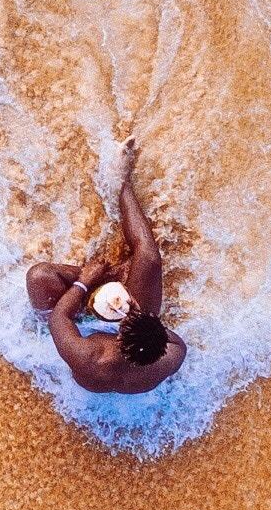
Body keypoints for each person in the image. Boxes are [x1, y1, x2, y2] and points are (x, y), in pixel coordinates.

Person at [25, 138, 187, 395]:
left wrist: (86, 280)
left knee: (39, 276)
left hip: (78, 327)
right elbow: (176, 342)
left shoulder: (89, 357)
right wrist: (141, 318)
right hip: (139, 340)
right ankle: (122, 184)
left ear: (121, 337)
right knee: (150, 259)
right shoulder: (170, 357)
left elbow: (60, 317)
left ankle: (105, 278)